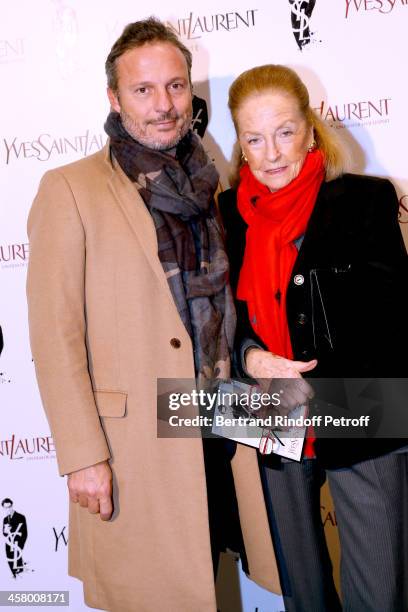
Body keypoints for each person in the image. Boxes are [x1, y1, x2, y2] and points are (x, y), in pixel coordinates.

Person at [26, 19, 280, 612]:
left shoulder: (214, 180)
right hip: (135, 447)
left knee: (222, 583)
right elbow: (55, 335)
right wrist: (83, 455)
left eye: (175, 86)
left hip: (224, 430)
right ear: (113, 98)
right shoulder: (71, 188)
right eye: (143, 90)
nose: (164, 105)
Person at [219, 64, 408, 612]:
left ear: (310, 127)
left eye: (284, 131)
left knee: (380, 592)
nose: (272, 152)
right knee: (300, 592)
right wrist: (251, 358)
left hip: (361, 414)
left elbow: (396, 323)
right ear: (241, 145)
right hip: (270, 415)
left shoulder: (365, 201)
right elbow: (226, 319)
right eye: (254, 138)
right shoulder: (229, 214)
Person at [2, 498, 28, 578]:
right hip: (9, 543)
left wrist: (21, 544)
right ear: (3, 508)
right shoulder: (5, 519)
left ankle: (19, 572)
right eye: (6, 508)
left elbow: (24, 532)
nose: (8, 509)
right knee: (9, 558)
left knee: (17, 559)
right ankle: (14, 574)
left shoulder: (21, 517)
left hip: (18, 542)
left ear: (12, 506)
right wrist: (6, 531)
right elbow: (4, 533)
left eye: (9, 507)